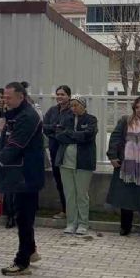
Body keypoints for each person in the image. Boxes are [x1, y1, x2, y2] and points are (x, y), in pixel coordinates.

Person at [0, 82, 45, 276]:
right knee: (22, 215)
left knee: (24, 218)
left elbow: (14, 146)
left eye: (8, 98)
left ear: (21, 97)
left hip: (27, 175)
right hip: (18, 175)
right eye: (3, 97)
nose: (4, 101)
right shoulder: (15, 114)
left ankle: (21, 262)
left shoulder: (28, 117)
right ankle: (31, 250)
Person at [106, 96, 140, 237]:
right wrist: (112, 156)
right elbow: (115, 138)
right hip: (126, 166)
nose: (139, 110)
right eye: (137, 107)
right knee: (126, 197)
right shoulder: (125, 121)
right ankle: (125, 227)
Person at [53, 96, 98, 235]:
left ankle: (83, 223)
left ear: (83, 106)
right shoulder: (66, 119)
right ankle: (71, 222)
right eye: (71, 106)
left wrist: (70, 134)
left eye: (76, 105)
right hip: (66, 162)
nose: (73, 108)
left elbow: (88, 136)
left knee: (81, 194)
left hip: (83, 163)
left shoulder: (91, 119)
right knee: (70, 194)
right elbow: (59, 135)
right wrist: (75, 135)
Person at [43, 85, 73, 220]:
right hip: (54, 150)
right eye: (58, 94)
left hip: (67, 151)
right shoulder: (52, 111)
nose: (60, 97)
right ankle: (64, 210)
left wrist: (55, 130)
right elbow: (44, 127)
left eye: (63, 94)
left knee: (69, 182)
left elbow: (69, 130)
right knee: (59, 182)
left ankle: (72, 210)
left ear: (69, 96)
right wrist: (56, 128)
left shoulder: (73, 111)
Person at [0, 88, 16, 229]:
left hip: (16, 162)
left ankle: (15, 215)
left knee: (15, 190)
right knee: (7, 190)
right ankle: (9, 215)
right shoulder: (0, 122)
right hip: (4, 160)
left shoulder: (18, 121)